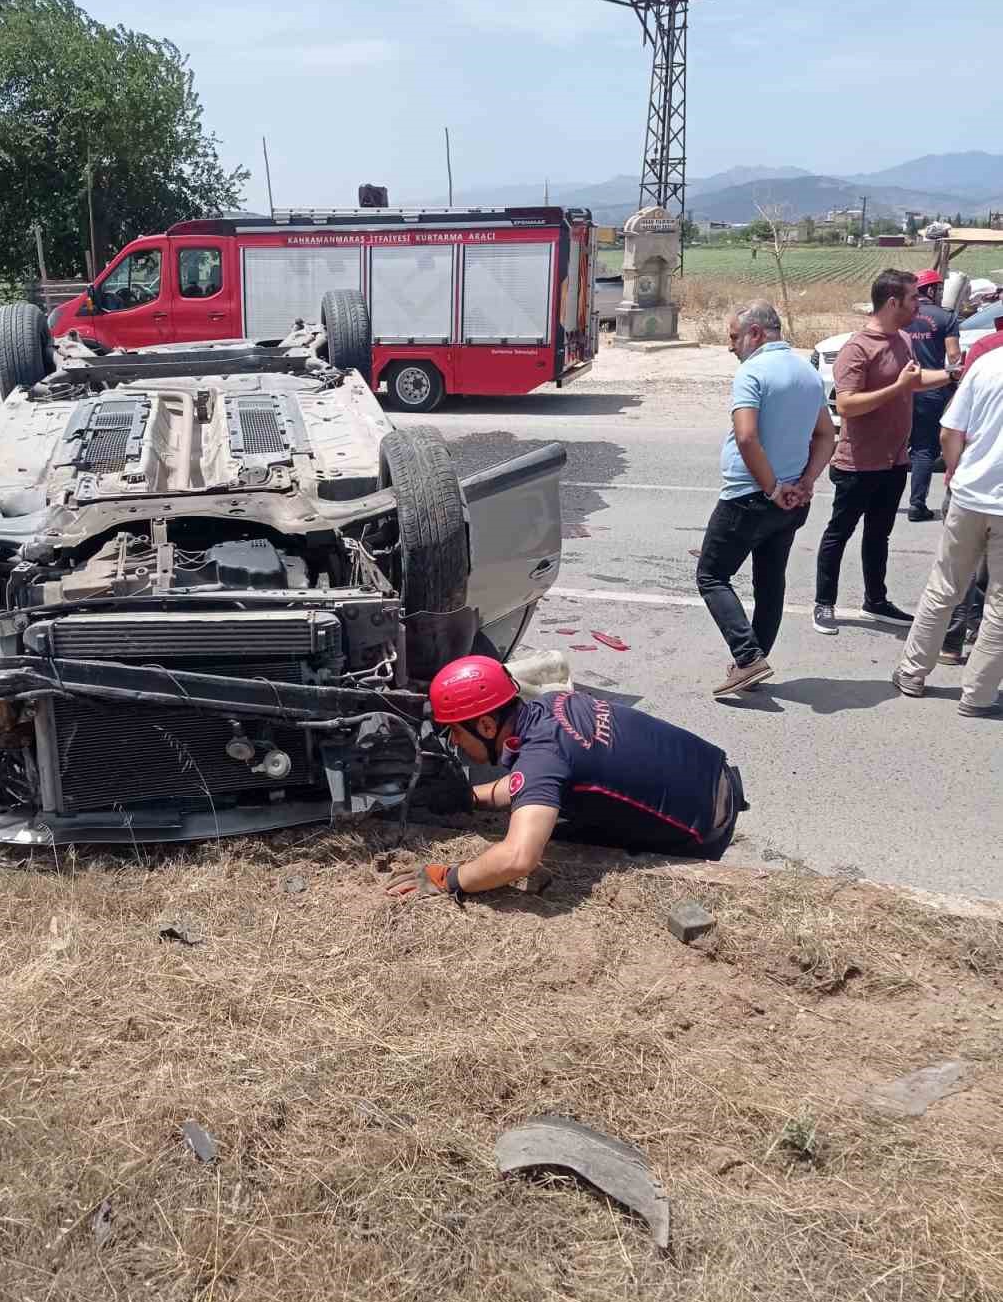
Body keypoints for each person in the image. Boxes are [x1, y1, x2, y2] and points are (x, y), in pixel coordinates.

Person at [385, 657, 749, 900]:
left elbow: (518, 859)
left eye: (456, 734)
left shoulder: (541, 759)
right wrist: (470, 797)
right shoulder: (550, 704)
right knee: (561, 807)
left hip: (704, 829)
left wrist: (448, 878)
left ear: (485, 725)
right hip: (714, 778)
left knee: (551, 840)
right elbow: (528, 785)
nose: (457, 745)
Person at [696, 301, 835, 696]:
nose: (730, 345)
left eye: (734, 336)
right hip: (791, 502)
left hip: (750, 497)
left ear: (755, 333)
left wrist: (773, 487)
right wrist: (807, 481)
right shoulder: (807, 373)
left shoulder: (752, 372)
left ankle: (748, 656)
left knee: (711, 575)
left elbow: (746, 436)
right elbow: (826, 434)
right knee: (770, 581)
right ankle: (754, 661)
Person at [813, 269, 952, 635]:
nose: (918, 305)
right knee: (838, 533)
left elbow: (915, 380)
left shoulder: (903, 339)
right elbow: (847, 406)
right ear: (893, 302)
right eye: (912, 299)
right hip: (858, 463)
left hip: (894, 462)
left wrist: (954, 374)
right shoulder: (857, 348)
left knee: (879, 535)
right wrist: (897, 387)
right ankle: (824, 603)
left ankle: (875, 601)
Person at [891, 346, 1003, 716]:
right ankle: (977, 694)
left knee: (945, 586)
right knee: (1000, 606)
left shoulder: (988, 365)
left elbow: (949, 432)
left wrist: (955, 470)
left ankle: (911, 671)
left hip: (970, 494)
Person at [904, 269, 961, 521]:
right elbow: (954, 356)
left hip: (900, 388)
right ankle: (917, 505)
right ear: (930, 289)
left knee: (892, 446)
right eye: (938, 288)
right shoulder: (946, 317)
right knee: (924, 449)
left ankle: (875, 501)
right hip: (931, 389)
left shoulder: (904, 316)